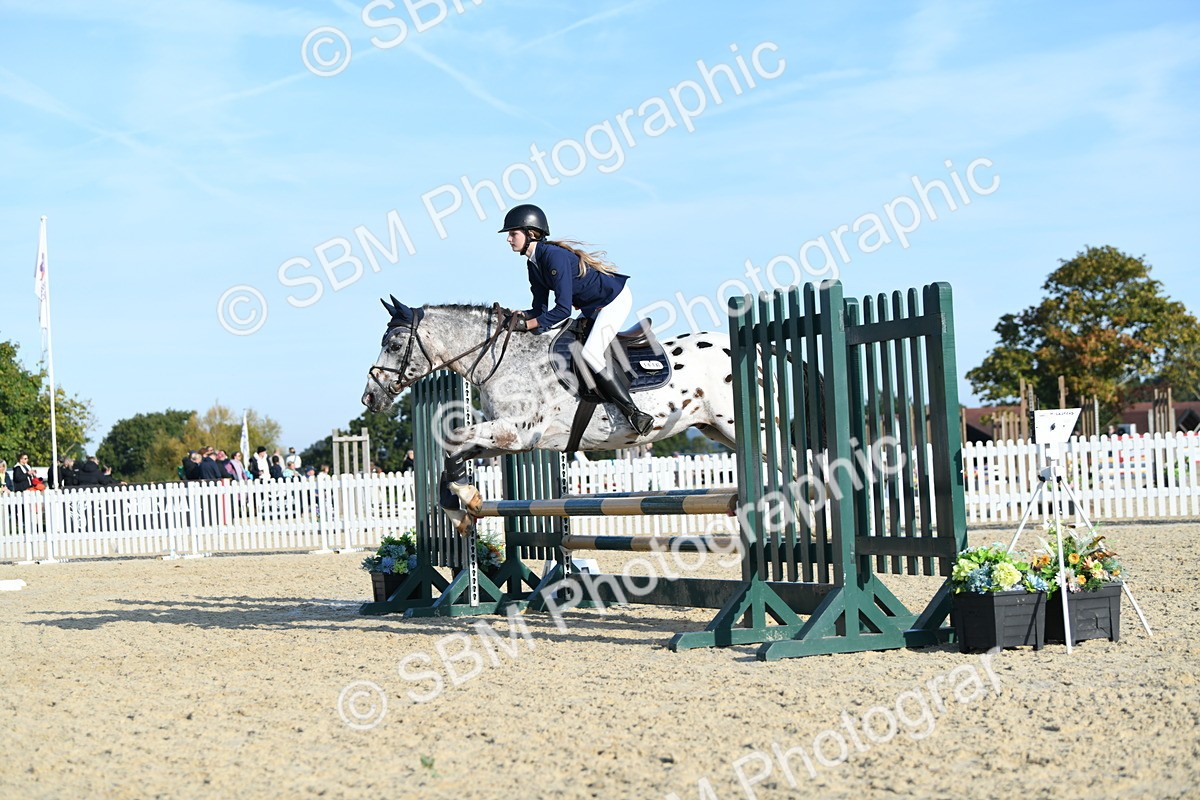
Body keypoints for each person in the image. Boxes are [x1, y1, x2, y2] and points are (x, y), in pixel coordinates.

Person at [498, 203, 653, 435]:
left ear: (531, 233)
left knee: (590, 353)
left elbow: (562, 311)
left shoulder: (554, 256)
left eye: (513, 234)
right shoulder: (533, 264)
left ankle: (634, 413)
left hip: (613, 300)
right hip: (593, 306)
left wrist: (530, 324)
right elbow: (539, 309)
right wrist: (518, 317)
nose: (509, 239)